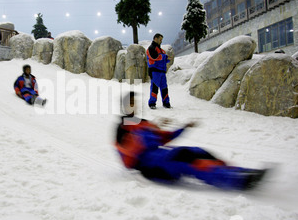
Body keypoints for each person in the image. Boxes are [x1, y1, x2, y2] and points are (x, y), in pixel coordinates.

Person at [114, 92, 267, 190]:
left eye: (135, 103)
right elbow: (128, 161)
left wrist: (184, 127)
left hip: (161, 155)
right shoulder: (122, 128)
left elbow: (164, 137)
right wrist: (141, 138)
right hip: (151, 166)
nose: (135, 106)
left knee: (198, 151)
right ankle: (238, 181)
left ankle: (239, 171)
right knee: (186, 158)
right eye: (131, 103)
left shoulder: (143, 122)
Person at [147, 33, 171, 109]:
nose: (161, 41)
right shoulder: (151, 48)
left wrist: (167, 59)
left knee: (164, 88)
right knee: (154, 88)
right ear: (155, 39)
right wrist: (164, 57)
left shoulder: (162, 50)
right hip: (155, 72)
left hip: (162, 72)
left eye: (161, 40)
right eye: (160, 39)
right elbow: (154, 57)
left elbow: (163, 59)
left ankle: (166, 103)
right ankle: (152, 103)